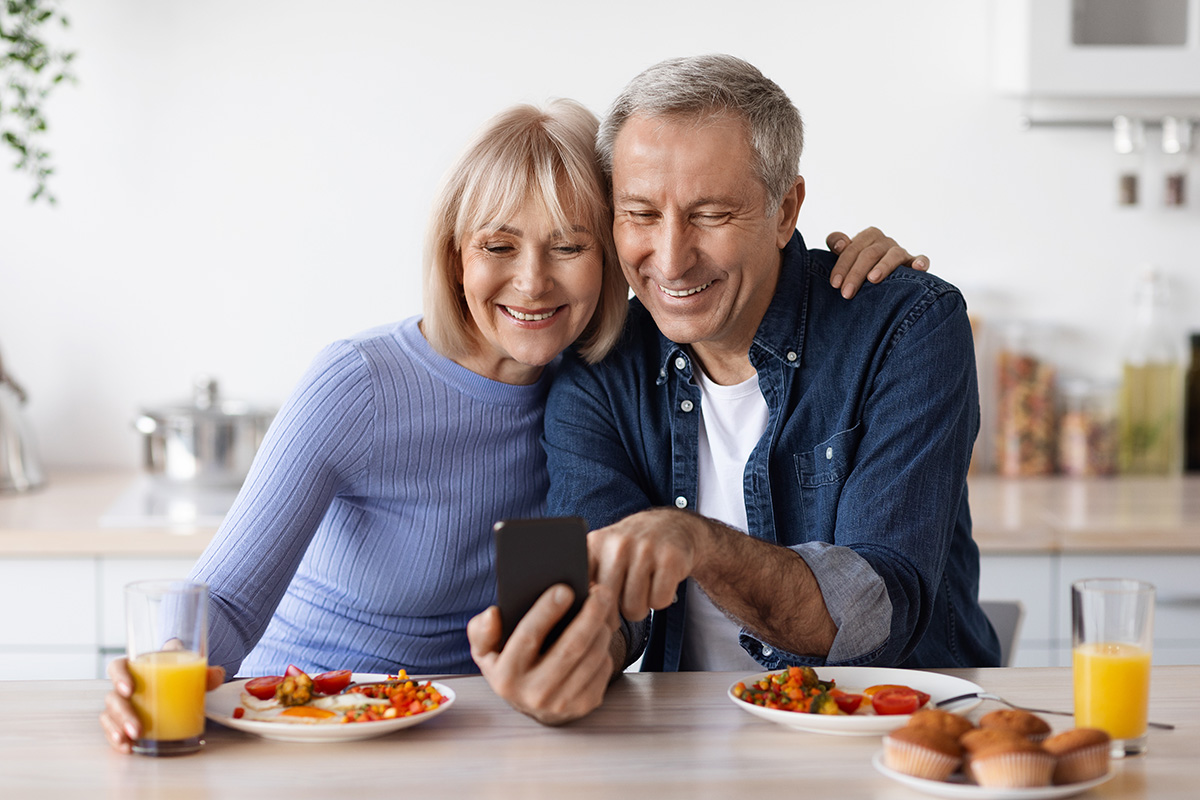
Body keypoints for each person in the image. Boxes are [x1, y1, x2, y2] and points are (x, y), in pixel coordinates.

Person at [99, 96, 923, 750]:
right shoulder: (358, 383)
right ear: (455, 251)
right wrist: (153, 677)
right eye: (499, 244)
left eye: (567, 246)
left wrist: (839, 269)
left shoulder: (605, 386)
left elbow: (584, 619)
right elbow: (229, 600)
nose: (531, 283)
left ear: (610, 254)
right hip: (307, 725)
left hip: (470, 734)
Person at [474, 54, 999, 724]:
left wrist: (695, 540)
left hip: (897, 736)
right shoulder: (600, 363)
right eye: (639, 213)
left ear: (785, 210)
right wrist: (571, 660)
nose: (669, 258)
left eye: (711, 214)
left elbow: (878, 611)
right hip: (684, 743)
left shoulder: (906, 327)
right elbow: (608, 600)